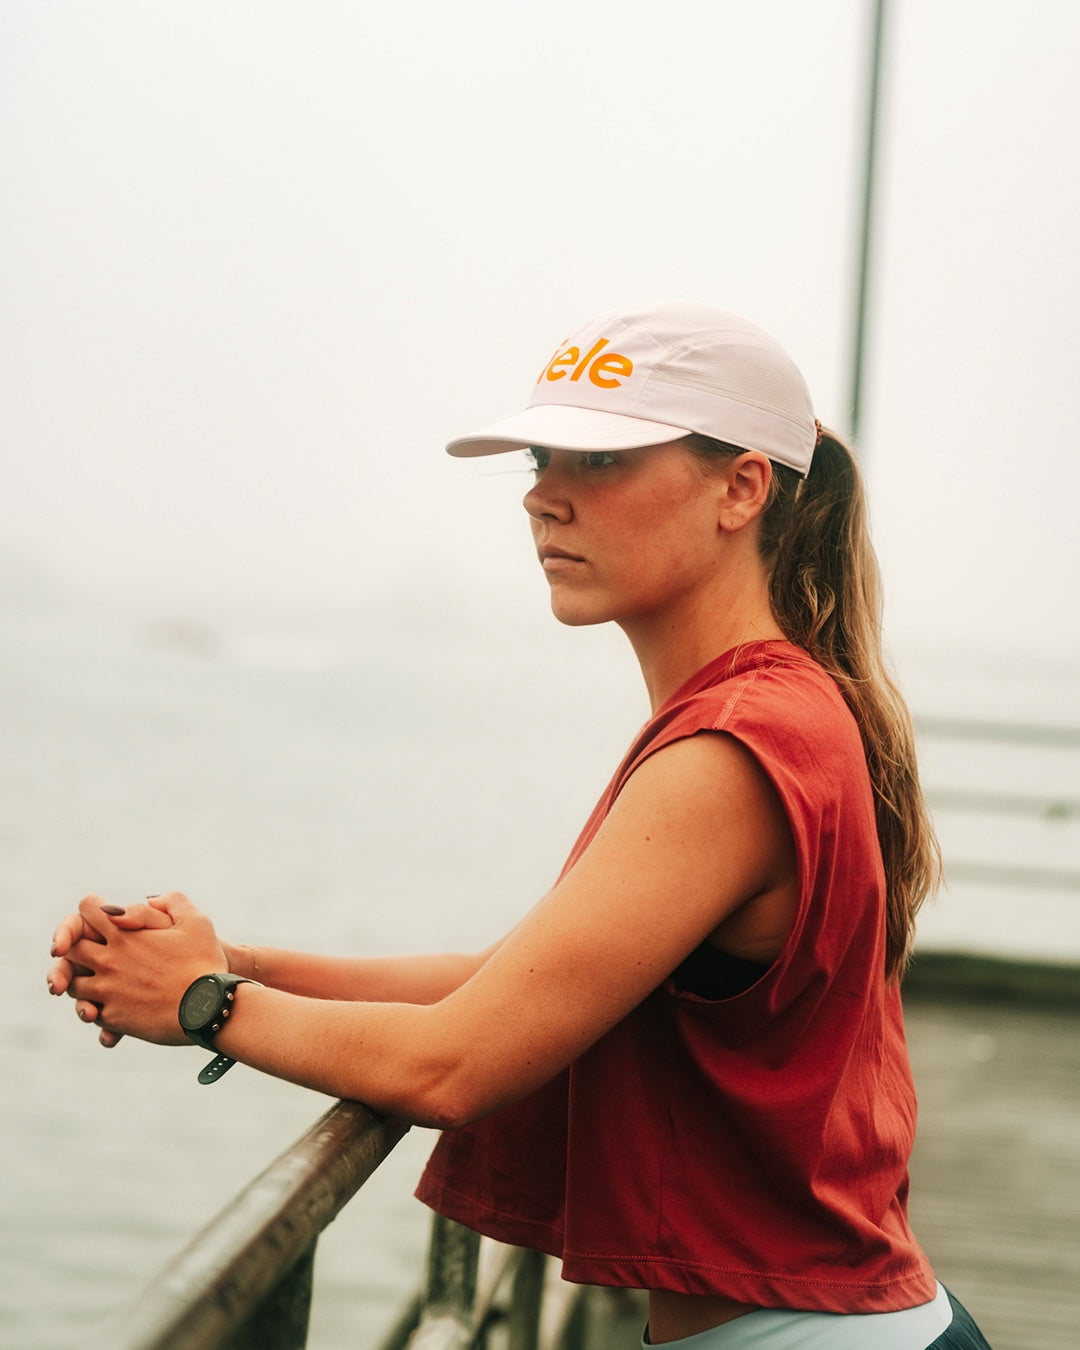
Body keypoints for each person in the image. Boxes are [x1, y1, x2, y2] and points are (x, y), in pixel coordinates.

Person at [47, 302, 991, 1347]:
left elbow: (453, 1065)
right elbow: (501, 985)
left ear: (742, 488)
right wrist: (235, 961)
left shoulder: (736, 748)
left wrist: (205, 1003)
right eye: (544, 459)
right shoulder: (773, 712)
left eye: (602, 461)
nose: (543, 495)